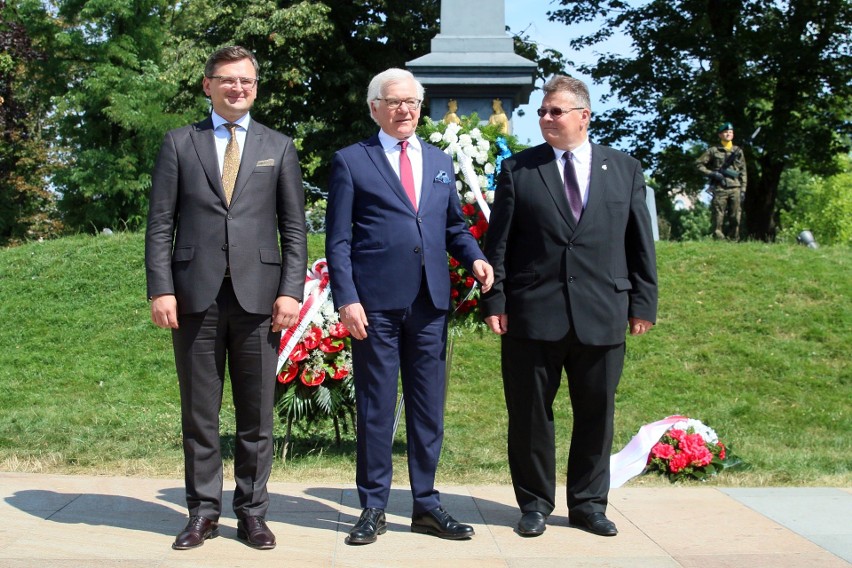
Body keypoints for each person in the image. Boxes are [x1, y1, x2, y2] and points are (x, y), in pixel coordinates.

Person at [145, 45, 307, 551]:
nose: (238, 88)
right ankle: (203, 513)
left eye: (246, 81)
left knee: (257, 414)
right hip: (194, 297)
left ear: (255, 87)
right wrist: (161, 287)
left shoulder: (278, 146)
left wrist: (290, 291)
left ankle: (252, 513)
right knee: (200, 412)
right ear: (207, 85)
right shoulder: (178, 143)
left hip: (260, 299)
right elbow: (159, 226)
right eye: (227, 80)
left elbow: (294, 229)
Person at [481, 75, 657, 538]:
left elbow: (640, 243)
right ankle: (535, 504)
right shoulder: (519, 169)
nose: (545, 118)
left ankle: (588, 505)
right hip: (532, 313)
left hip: (602, 312)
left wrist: (644, 303)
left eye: (555, 111)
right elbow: (497, 244)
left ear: (584, 116)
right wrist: (494, 299)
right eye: (542, 111)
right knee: (530, 414)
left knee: (597, 414)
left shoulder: (624, 169)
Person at [325, 68, 494, 545]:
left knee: (427, 410)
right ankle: (373, 507)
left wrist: (475, 258)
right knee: (377, 408)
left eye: (413, 103)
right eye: (395, 102)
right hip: (374, 307)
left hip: (430, 304)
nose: (406, 110)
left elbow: (454, 226)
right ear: (375, 107)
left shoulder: (439, 160)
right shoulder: (352, 161)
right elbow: (337, 240)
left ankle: (426, 505)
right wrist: (347, 299)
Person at [696, 122, 747, 240]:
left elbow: (743, 171)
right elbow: (699, 164)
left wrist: (743, 189)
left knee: (735, 216)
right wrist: (712, 173)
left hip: (735, 187)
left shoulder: (738, 151)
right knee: (718, 215)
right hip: (720, 187)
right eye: (725, 132)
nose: (728, 134)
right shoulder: (713, 151)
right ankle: (718, 238)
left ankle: (733, 238)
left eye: (730, 132)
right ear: (720, 135)